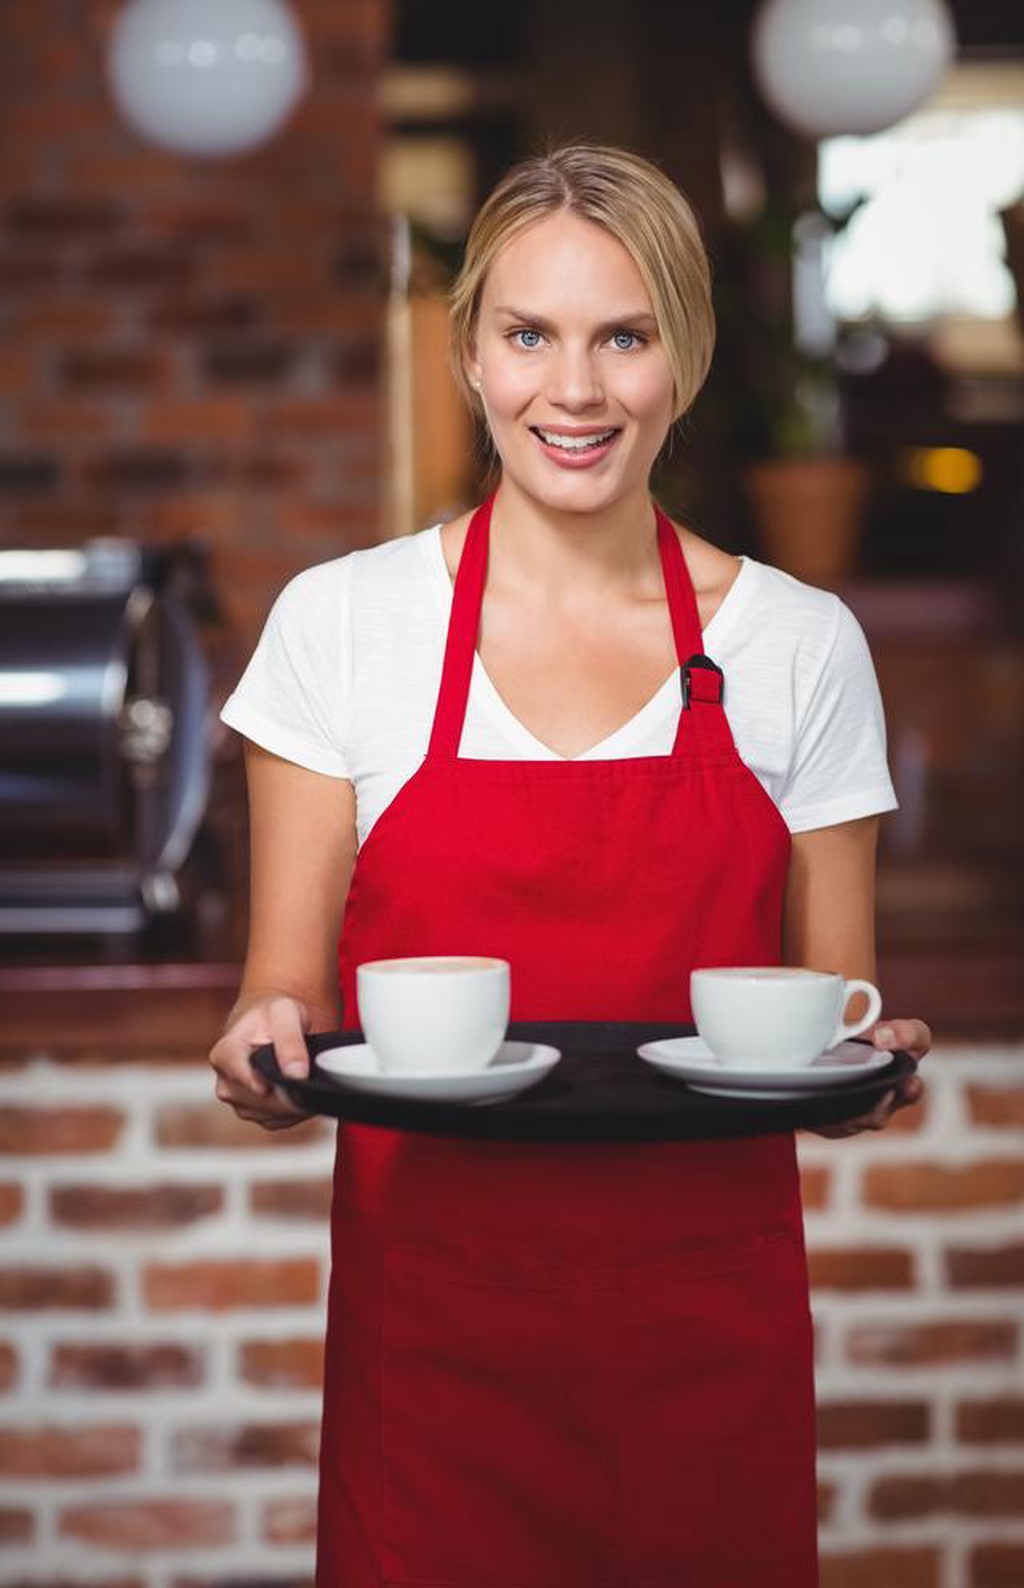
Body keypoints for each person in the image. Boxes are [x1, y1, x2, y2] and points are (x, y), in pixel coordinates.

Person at [211, 142, 931, 1586]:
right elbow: (276, 998)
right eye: (529, 334)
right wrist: (264, 1048)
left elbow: (843, 1004)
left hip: (704, 1337)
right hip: (435, 1351)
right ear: (470, 351)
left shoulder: (799, 645)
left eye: (625, 335)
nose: (577, 389)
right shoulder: (342, 626)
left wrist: (872, 1066)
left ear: (687, 356)